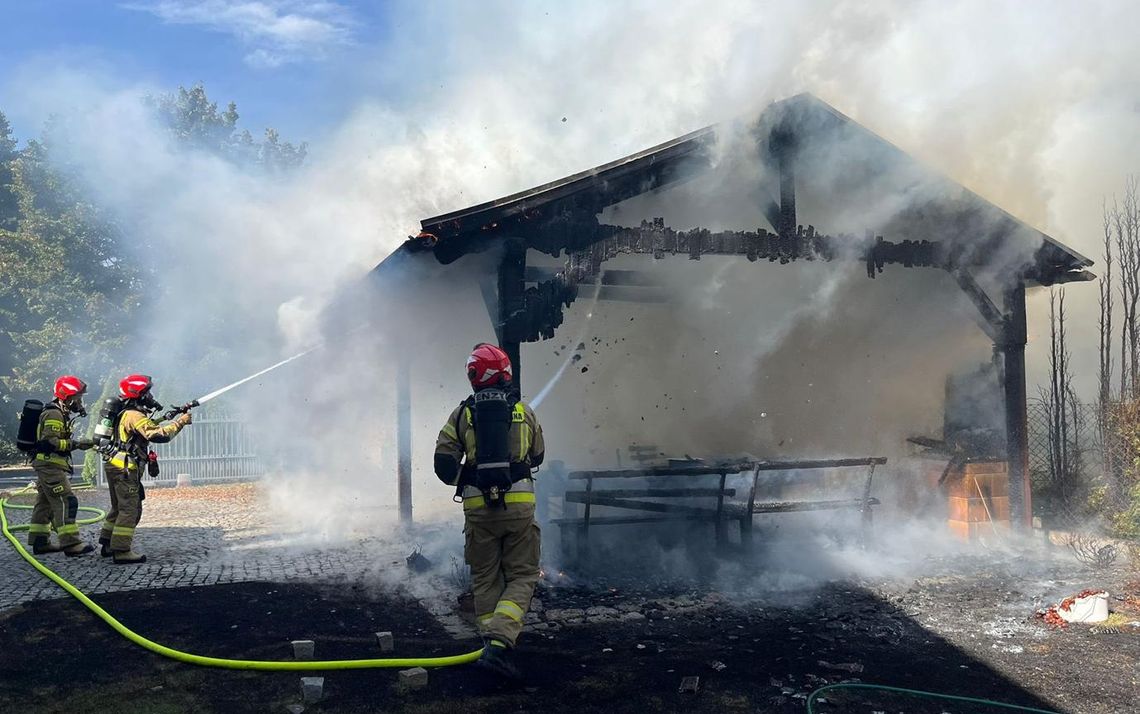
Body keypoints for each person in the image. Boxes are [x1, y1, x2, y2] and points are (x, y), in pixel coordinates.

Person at [434, 343, 545, 679]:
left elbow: (442, 463)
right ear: (505, 373)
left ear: (474, 377)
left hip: (478, 509)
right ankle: (499, 644)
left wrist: (468, 477)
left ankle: (489, 642)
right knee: (523, 575)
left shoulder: (462, 414)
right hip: (519, 507)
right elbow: (538, 455)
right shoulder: (523, 412)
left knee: (485, 577)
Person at [98, 374, 191, 564]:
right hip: (126, 469)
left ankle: (108, 542)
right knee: (130, 510)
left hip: (115, 465)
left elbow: (143, 429)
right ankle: (122, 550)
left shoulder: (126, 413)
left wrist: (167, 417)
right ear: (138, 394)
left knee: (118, 507)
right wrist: (180, 422)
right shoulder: (134, 414)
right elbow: (158, 436)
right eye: (147, 392)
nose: (150, 396)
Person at [27, 375, 96, 556]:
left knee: (45, 503)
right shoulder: (54, 414)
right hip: (49, 465)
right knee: (67, 501)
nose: (79, 401)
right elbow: (51, 442)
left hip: (48, 464)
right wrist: (76, 444)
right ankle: (71, 544)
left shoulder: (60, 412)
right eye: (77, 397)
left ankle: (40, 542)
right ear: (65, 396)